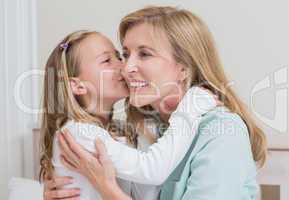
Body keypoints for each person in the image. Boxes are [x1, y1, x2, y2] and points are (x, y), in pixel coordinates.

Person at [53, 6, 268, 200]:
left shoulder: (222, 133)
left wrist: (106, 189)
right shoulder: (144, 128)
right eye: (126, 54)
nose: (126, 67)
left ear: (184, 68)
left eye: (144, 54)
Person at [40, 30, 217, 200]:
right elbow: (152, 170)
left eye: (119, 56)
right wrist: (190, 108)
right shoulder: (78, 133)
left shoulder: (119, 132)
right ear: (78, 86)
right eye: (107, 60)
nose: (124, 66)